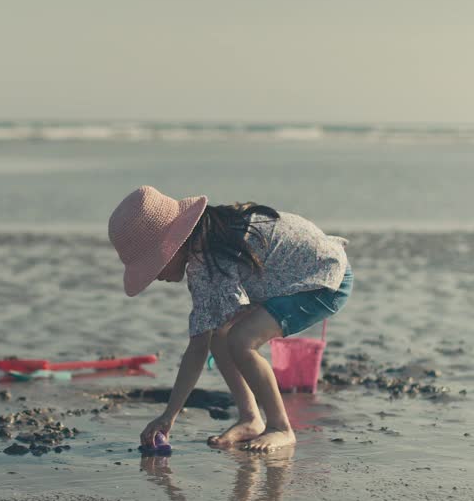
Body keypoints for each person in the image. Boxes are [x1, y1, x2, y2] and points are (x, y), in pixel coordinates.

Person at [108, 185, 352, 451]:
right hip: (305, 271)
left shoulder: (209, 259)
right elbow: (207, 336)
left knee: (241, 340)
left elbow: (196, 349)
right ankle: (250, 418)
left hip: (324, 279)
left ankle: (280, 427)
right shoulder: (210, 235)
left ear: (173, 247)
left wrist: (169, 416)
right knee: (220, 334)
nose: (154, 276)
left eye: (153, 265)